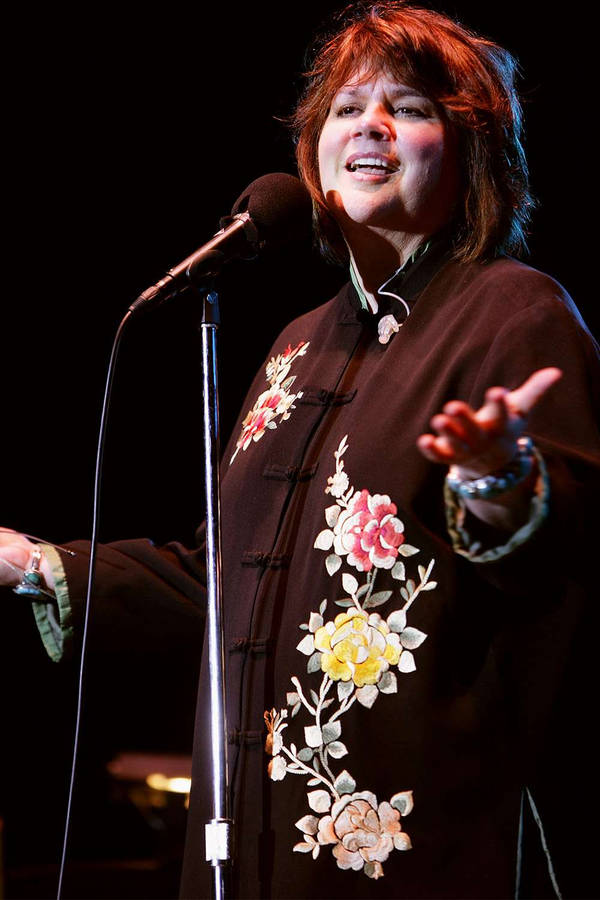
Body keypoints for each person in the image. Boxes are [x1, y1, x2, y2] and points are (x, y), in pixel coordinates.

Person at [1, 2, 599, 898]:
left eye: (410, 108)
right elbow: (226, 585)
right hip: (251, 844)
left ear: (471, 153)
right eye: (347, 108)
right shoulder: (295, 345)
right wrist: (31, 563)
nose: (370, 125)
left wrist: (500, 477)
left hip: (414, 847)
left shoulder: (514, 313)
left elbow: (561, 548)